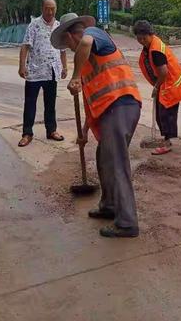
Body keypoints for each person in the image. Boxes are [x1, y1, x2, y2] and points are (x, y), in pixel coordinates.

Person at [51, 13, 142, 238]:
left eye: (68, 45)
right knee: (104, 157)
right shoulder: (88, 66)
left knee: (116, 162)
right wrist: (84, 132)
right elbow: (92, 103)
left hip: (121, 103)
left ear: (72, 36)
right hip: (111, 110)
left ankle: (127, 222)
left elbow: (85, 43)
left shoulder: (94, 34)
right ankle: (110, 205)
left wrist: (74, 75)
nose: (71, 50)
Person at [133, 20, 181, 155]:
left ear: (150, 34)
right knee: (161, 114)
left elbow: (163, 72)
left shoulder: (156, 50)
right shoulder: (151, 45)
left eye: (144, 38)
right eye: (139, 38)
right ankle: (166, 140)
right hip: (167, 83)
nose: (142, 41)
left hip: (171, 84)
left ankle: (168, 143)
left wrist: (156, 87)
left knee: (166, 115)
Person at [18, 0, 67, 147]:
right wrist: (22, 66)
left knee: (50, 103)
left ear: (56, 9)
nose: (50, 11)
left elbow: (63, 49)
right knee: (30, 103)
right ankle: (27, 133)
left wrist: (64, 67)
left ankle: (51, 130)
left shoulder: (59, 26)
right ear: (42, 8)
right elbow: (25, 46)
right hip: (34, 71)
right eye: (47, 8)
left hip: (52, 71)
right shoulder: (34, 25)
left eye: (53, 8)